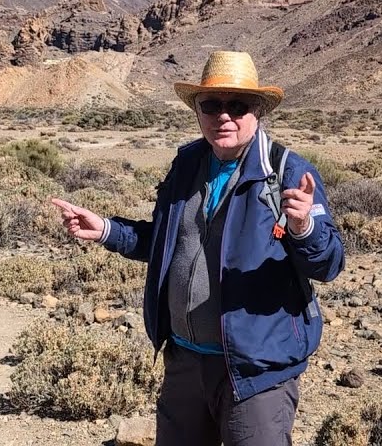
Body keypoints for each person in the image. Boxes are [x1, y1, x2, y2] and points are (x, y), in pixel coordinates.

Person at [54, 50, 345, 446]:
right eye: (211, 105)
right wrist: (105, 229)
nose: (223, 116)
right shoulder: (187, 164)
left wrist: (303, 226)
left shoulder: (288, 171)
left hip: (255, 370)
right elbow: (164, 242)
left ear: (258, 111)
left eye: (237, 105)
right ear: (197, 111)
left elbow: (329, 264)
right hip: (185, 362)